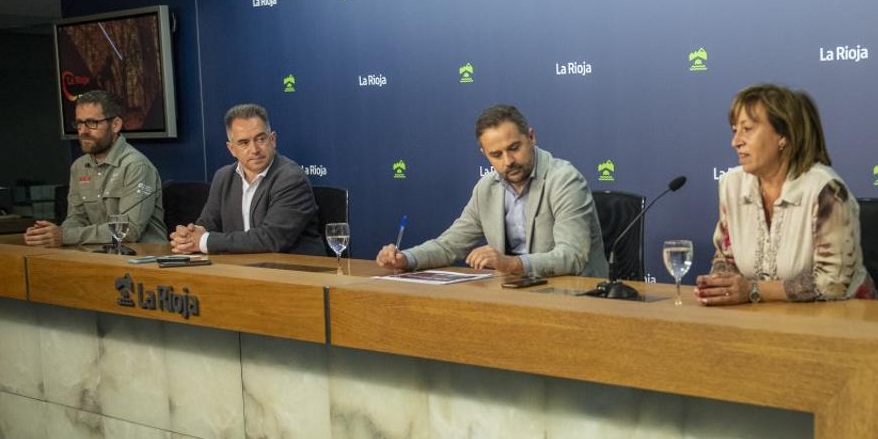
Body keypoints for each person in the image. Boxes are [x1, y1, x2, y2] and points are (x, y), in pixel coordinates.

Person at [376, 104, 607, 277]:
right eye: (496, 155)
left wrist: (510, 264)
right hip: (515, 292)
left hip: (574, 295)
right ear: (484, 154)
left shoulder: (564, 180)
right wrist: (405, 258)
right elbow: (449, 245)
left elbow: (572, 256)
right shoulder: (486, 188)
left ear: (531, 137)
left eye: (514, 148)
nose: (508, 161)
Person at [695, 84, 875, 305]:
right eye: (735, 130)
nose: (736, 141)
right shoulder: (732, 185)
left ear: (783, 136)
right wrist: (721, 284)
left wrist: (752, 290)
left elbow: (833, 283)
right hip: (765, 318)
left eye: (747, 129)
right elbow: (726, 256)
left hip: (842, 319)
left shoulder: (825, 189)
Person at [169, 104, 324, 255]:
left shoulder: (291, 178)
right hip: (245, 270)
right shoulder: (223, 177)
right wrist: (188, 237)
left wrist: (203, 241)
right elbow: (207, 226)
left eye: (261, 139)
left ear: (273, 139)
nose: (254, 149)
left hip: (296, 272)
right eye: (244, 143)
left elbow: (271, 239)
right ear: (231, 149)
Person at [25, 90, 166, 248]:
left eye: (92, 123)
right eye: (79, 123)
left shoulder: (136, 166)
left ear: (115, 125)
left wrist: (65, 236)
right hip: (100, 255)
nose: (83, 131)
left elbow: (128, 230)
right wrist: (51, 234)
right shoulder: (79, 167)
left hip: (143, 258)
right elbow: (76, 218)